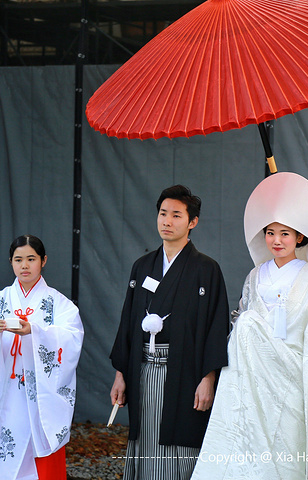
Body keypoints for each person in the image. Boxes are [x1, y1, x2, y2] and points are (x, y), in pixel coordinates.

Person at [192, 172, 308, 480]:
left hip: (293, 371)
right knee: (248, 436)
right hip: (256, 375)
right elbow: (242, 322)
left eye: (285, 234)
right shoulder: (256, 275)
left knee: (286, 440)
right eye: (271, 232)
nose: (277, 240)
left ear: (299, 237)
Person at [110, 185, 229, 480]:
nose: (167, 221)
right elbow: (128, 321)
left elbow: (216, 326)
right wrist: (121, 374)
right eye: (163, 213)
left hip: (186, 373)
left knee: (181, 441)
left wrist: (209, 378)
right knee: (145, 435)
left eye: (177, 215)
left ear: (192, 222)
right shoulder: (143, 266)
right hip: (143, 368)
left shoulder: (207, 269)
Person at [0, 235, 84, 479]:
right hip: (3, 391)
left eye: (31, 259)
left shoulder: (59, 305)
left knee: (37, 447)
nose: (24, 265)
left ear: (43, 261)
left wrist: (35, 331)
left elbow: (72, 339)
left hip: (38, 394)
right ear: (11, 262)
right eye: (18, 259)